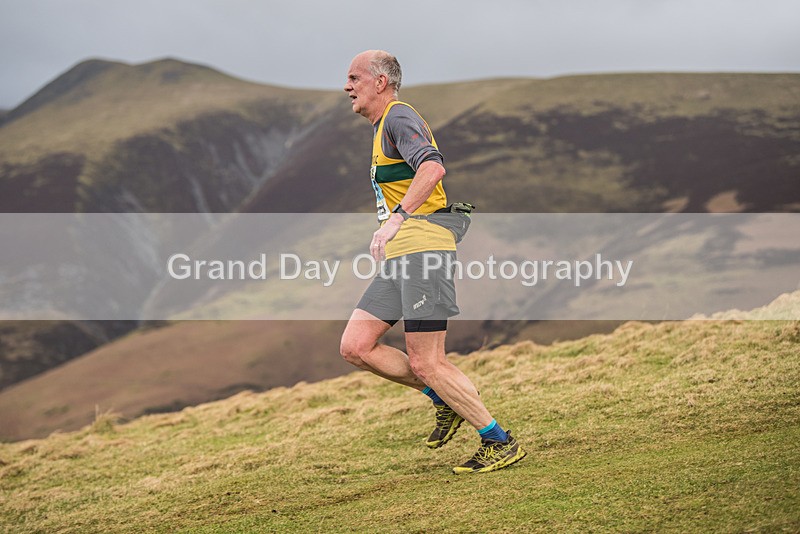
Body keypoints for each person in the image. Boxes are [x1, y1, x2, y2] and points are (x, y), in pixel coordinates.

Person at [339, 50, 526, 474]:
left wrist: (396, 220)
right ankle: (443, 399)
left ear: (380, 82)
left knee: (427, 361)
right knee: (356, 346)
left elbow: (432, 168)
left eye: (354, 78)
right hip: (402, 255)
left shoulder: (398, 117)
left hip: (423, 248)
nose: (347, 87)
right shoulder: (381, 126)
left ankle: (499, 441)